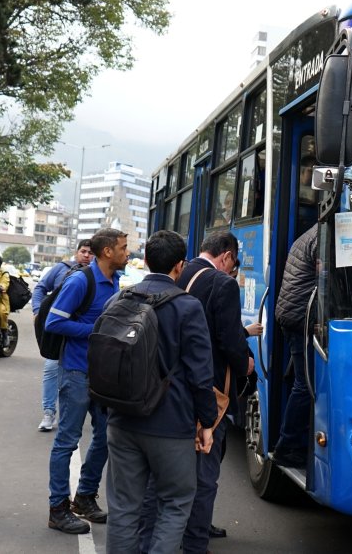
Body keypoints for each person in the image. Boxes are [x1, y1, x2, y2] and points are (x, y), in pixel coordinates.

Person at [103, 229, 217, 554]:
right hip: (171, 425)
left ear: (147, 260)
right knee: (176, 502)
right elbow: (200, 373)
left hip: (122, 420)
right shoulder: (187, 307)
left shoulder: (119, 299)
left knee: (124, 506)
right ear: (179, 266)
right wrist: (206, 422)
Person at [159, 231, 251, 552]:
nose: (233, 270)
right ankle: (196, 539)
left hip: (171, 386)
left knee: (178, 468)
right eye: (234, 263)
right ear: (226, 256)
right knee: (206, 472)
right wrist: (247, 364)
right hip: (211, 391)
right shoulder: (222, 284)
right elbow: (227, 341)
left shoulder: (178, 272)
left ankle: (180, 526)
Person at [45, 228, 129, 535]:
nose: (127, 252)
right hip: (77, 371)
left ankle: (84, 498)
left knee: (107, 435)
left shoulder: (116, 281)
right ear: (107, 252)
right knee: (67, 440)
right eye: (123, 247)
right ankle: (58, 509)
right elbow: (55, 321)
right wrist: (97, 330)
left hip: (103, 374)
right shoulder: (81, 281)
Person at [30, 239, 94, 432]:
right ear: (76, 252)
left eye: (90, 252)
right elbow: (40, 288)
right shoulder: (61, 269)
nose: (86, 255)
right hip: (58, 332)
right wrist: (37, 311)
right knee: (51, 369)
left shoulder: (99, 276)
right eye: (83, 251)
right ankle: (49, 412)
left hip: (82, 339)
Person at [271, 225, 319, 469]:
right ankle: (287, 447)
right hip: (301, 318)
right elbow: (326, 278)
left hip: (293, 315)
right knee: (306, 384)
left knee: (302, 380)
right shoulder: (324, 236)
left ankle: (293, 442)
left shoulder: (309, 233)